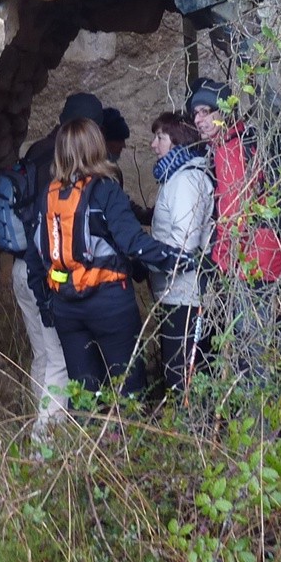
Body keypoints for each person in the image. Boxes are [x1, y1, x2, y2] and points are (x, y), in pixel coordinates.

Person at [28, 117, 182, 396]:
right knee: (129, 386)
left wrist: (46, 306)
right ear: (96, 147)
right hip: (110, 304)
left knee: (84, 392)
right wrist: (180, 259)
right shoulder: (106, 191)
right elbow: (133, 243)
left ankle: (88, 425)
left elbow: (35, 259)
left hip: (66, 307)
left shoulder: (47, 196)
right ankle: (127, 424)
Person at [11, 92, 102, 434]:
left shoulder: (36, 151)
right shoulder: (66, 164)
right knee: (60, 360)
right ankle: (48, 437)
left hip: (22, 268)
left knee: (44, 355)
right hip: (50, 273)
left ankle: (39, 424)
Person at [189, 80, 281, 376]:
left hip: (255, 264)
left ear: (224, 112)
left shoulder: (231, 150)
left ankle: (257, 402)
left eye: (206, 111)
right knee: (272, 344)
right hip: (276, 256)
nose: (198, 120)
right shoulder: (245, 140)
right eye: (195, 113)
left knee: (252, 348)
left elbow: (235, 217)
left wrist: (218, 264)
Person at [147, 111, 214, 393]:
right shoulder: (177, 177)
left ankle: (189, 419)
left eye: (160, 137)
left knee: (182, 374)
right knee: (182, 370)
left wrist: (145, 255)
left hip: (186, 295)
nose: (153, 145)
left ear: (178, 140)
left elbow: (185, 243)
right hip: (178, 293)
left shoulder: (185, 181)